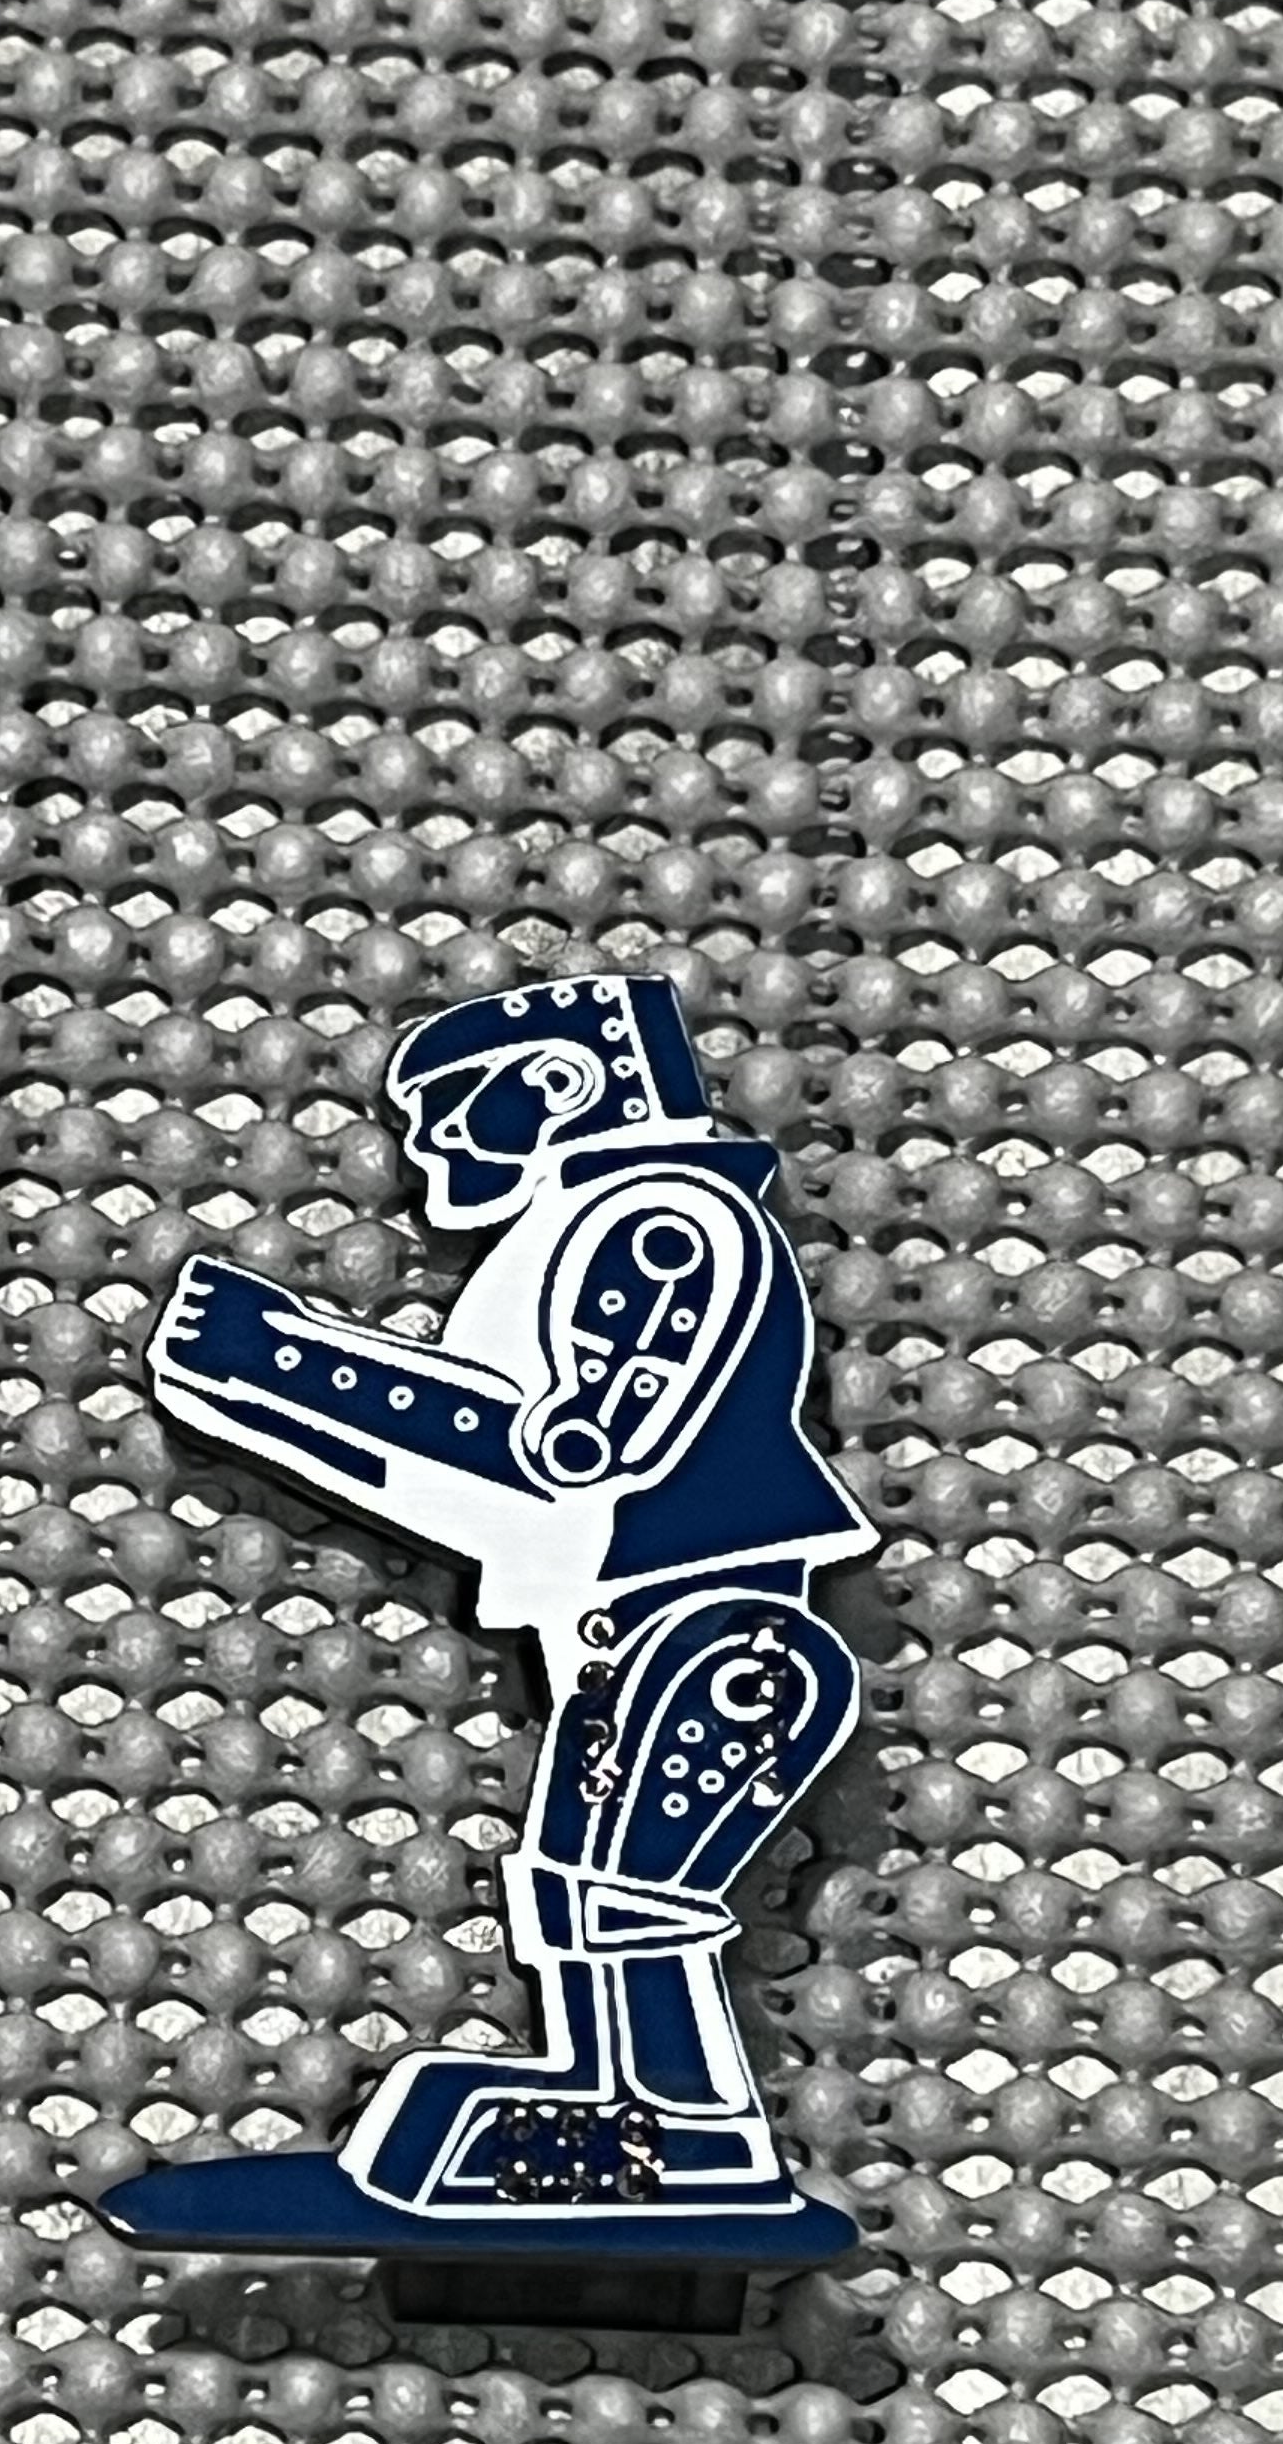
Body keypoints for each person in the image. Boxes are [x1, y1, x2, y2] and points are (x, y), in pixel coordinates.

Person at [107, 973, 869, 2270]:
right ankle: (628, 2114)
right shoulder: (579, 1230)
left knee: (628, 1890)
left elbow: (566, 1449)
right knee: (581, 1884)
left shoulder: (664, 1224)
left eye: (453, 1107)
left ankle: (688, 2138)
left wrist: (289, 1359)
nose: (430, 1145)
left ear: (561, 1086)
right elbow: (468, 1487)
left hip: (714, 1636)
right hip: (632, 1635)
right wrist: (272, 1395)